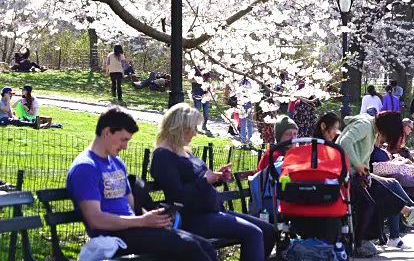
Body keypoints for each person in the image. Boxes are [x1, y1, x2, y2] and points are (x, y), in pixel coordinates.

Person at [66, 107, 217, 260]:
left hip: (135, 229)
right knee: (191, 248)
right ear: (107, 132)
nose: (125, 146)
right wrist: (142, 221)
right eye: (123, 139)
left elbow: (131, 205)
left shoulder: (116, 162)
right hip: (114, 236)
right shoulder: (86, 167)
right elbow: (95, 220)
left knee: (205, 246)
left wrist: (153, 218)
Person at [150, 103, 275, 261]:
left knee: (268, 230)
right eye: (193, 128)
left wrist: (218, 177)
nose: (195, 133)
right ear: (181, 127)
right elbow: (178, 195)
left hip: (214, 211)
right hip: (195, 217)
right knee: (254, 233)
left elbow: (200, 179)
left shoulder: (184, 151)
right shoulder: (163, 156)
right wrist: (205, 180)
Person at [336, 112, 414, 257]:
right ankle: (361, 242)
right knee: (369, 202)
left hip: (355, 174)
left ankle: (409, 212)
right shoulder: (364, 125)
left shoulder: (372, 130)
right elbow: (343, 143)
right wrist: (358, 165)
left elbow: (364, 159)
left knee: (382, 189)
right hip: (343, 175)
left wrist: (367, 172)